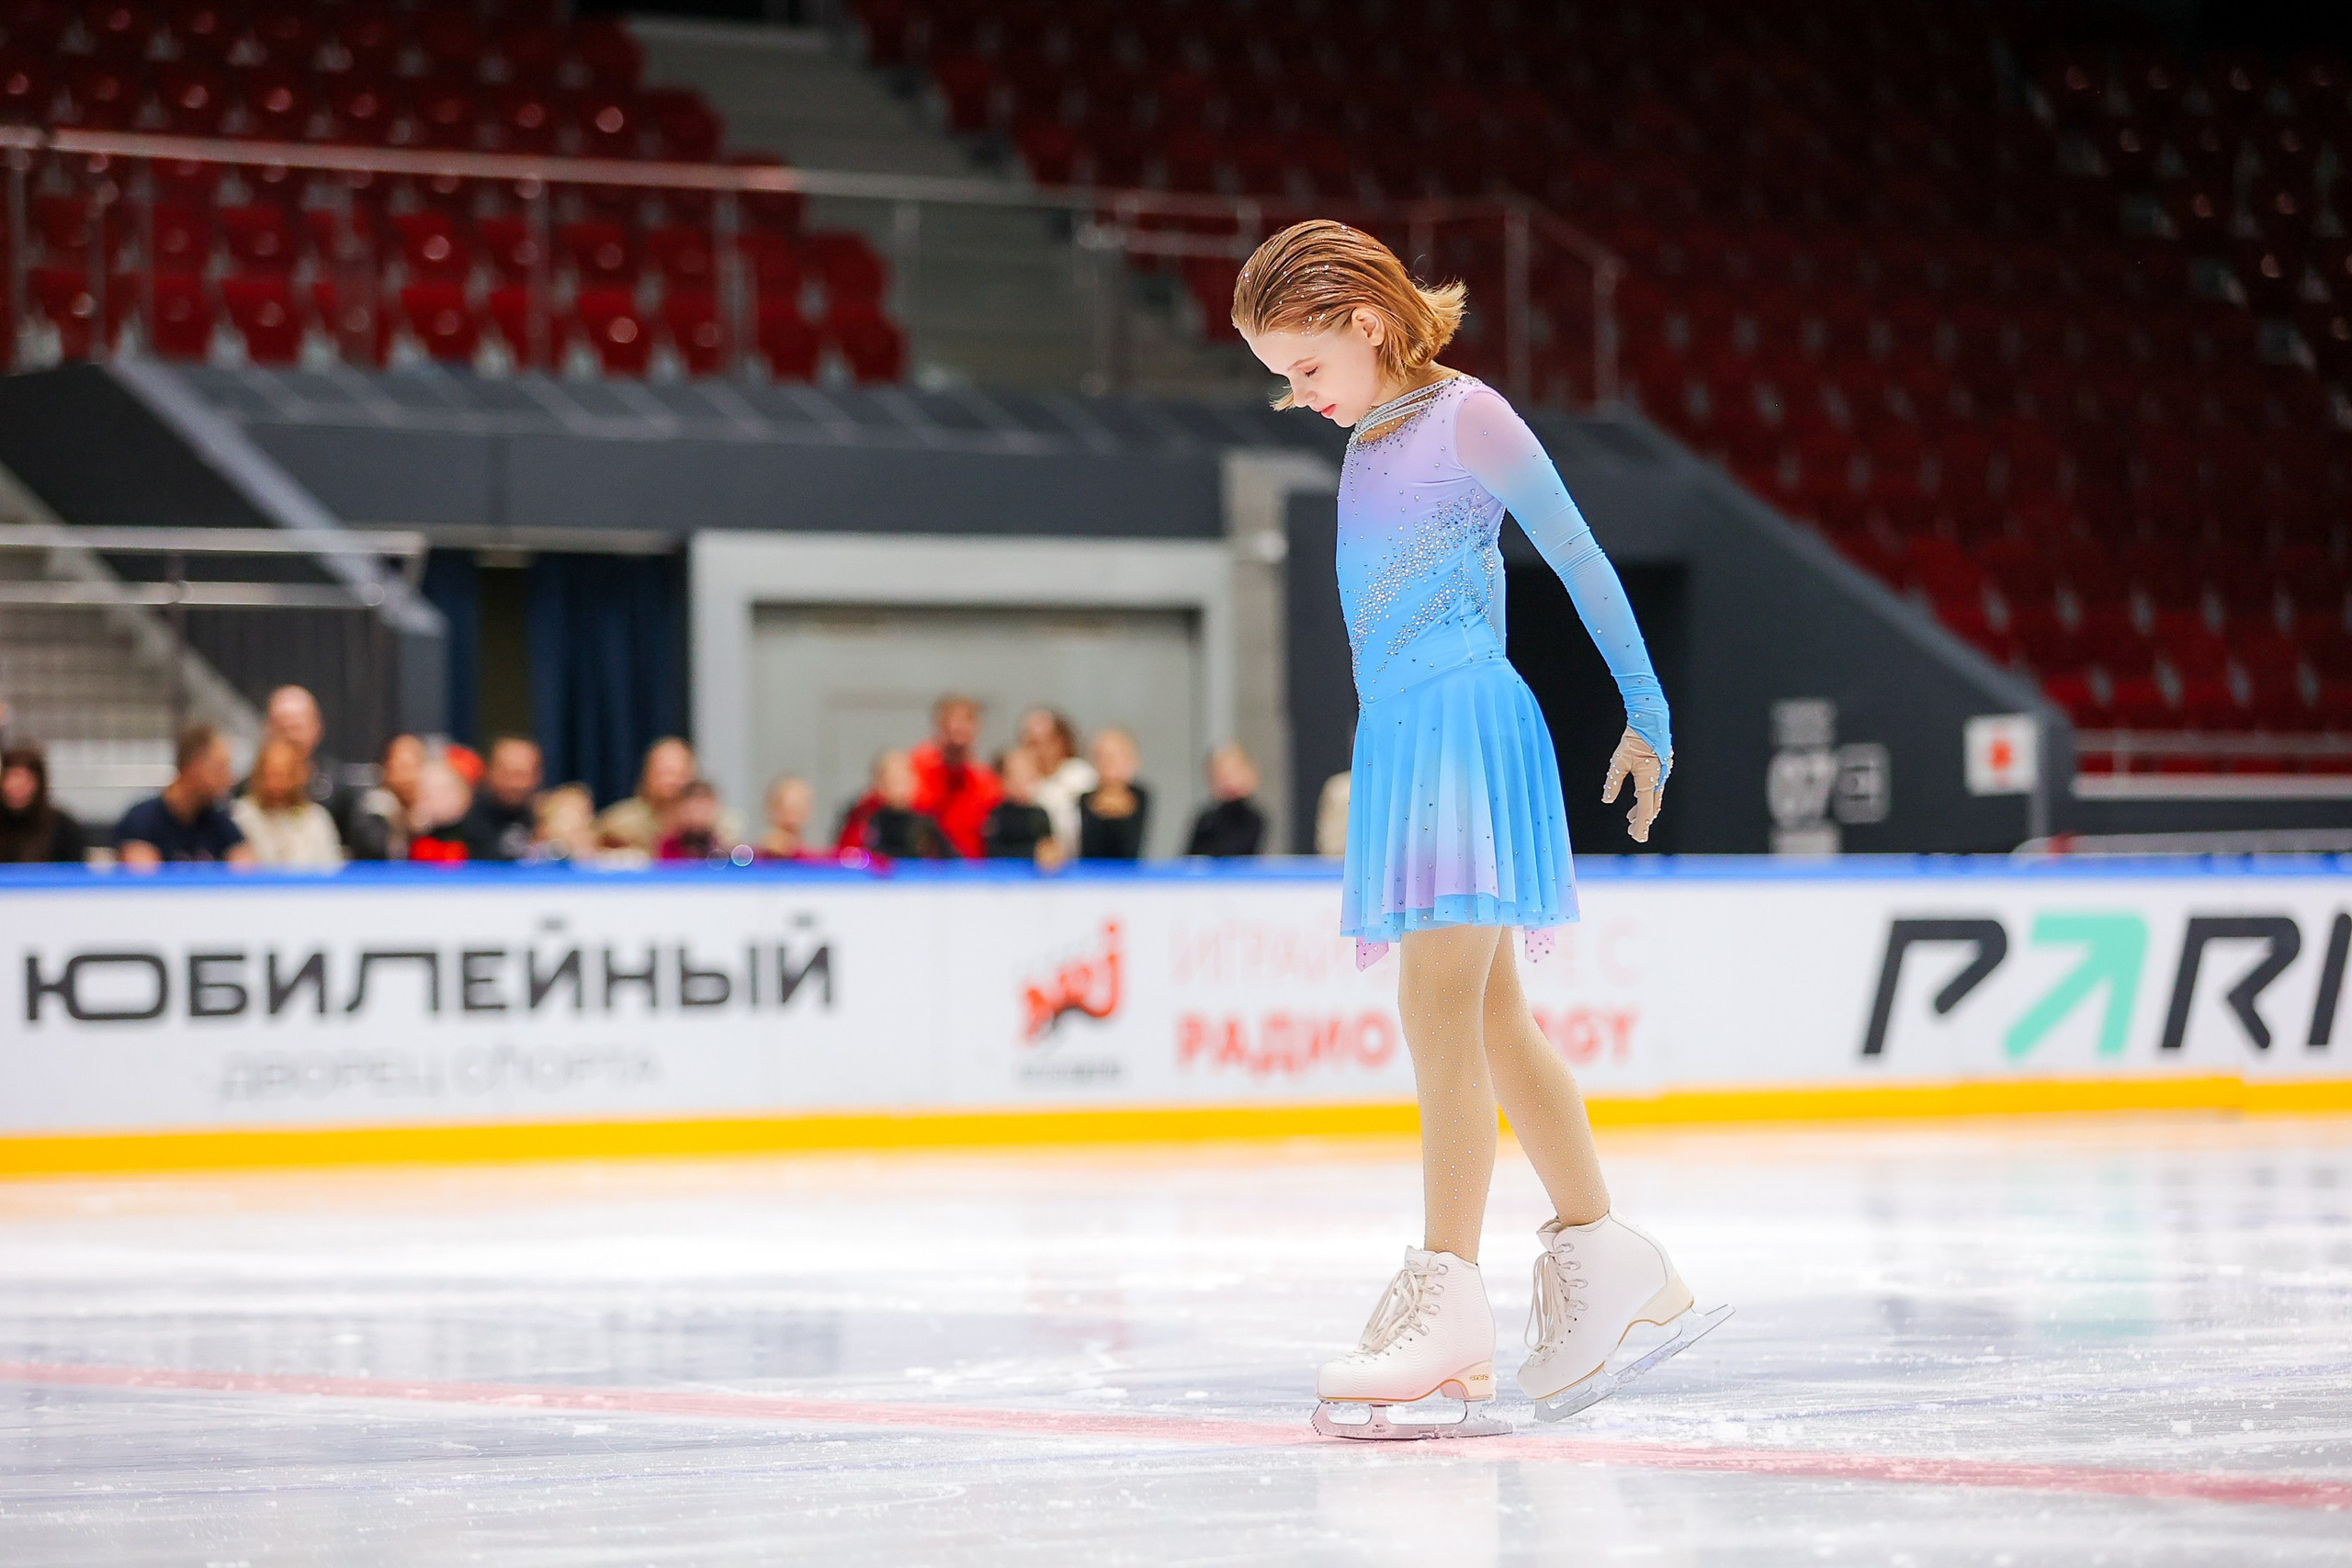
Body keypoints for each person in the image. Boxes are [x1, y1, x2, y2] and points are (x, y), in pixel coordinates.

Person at [1235, 220, 1700, 1440]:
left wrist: (1646, 714)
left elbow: (1579, 554)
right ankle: (1610, 1259)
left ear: (1369, 324)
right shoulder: (1366, 440)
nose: (1299, 394)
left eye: (1306, 366)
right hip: (1404, 738)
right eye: (1282, 376)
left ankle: (1450, 1299)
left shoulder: (1467, 416)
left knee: (1438, 1011)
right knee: (1491, 1019)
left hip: (1463, 727)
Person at [116, 724, 254, 867]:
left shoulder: (220, 823)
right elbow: (143, 877)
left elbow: (246, 870)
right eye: (221, 769)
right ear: (194, 767)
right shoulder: (141, 822)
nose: (229, 780)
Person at [246, 685, 352, 843]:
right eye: (282, 728)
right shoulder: (246, 790)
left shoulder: (339, 787)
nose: (291, 737)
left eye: (297, 728)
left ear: (316, 728)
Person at [599, 737, 741, 853]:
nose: (670, 781)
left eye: (677, 773)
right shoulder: (622, 822)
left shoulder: (719, 824)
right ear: (646, 776)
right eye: (662, 773)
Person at [909, 694, 1001, 859]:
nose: (958, 727)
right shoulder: (914, 770)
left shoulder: (986, 781)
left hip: (971, 868)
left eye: (967, 720)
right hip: (924, 868)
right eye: (951, 720)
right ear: (939, 725)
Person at [230, 737, 344, 866]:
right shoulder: (240, 817)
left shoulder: (316, 819)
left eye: (283, 775)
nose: (276, 784)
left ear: (299, 776)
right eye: (269, 775)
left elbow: (331, 867)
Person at [1017, 707, 1096, 860]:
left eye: (1040, 743)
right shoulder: (1019, 784)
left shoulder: (1081, 776)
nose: (1036, 751)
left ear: (1060, 742)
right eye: (1029, 744)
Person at [456, 736, 542, 863]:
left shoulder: (543, 816)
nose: (516, 784)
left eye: (523, 774)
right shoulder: (461, 819)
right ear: (489, 771)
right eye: (508, 773)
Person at [0, 744, 89, 863]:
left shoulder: (64, 828)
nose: (15, 788)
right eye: (9, 780)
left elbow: (74, 869)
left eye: (23, 781)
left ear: (39, 784)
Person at [859, 749, 952, 860]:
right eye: (892, 780)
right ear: (879, 785)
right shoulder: (866, 823)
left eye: (904, 779)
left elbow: (956, 862)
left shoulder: (926, 825)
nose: (899, 788)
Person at [1076, 727, 1149, 861]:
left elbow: (1130, 848)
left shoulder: (1140, 796)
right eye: (1100, 757)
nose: (1106, 763)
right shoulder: (1085, 799)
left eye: (1112, 757)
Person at [349, 733, 424, 862]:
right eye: (403, 767)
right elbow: (376, 854)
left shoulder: (432, 812)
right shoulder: (375, 810)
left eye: (416, 766)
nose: (410, 776)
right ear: (387, 768)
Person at [981, 747, 1061, 867]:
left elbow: (1049, 847)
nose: (1023, 781)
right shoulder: (997, 815)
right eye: (1017, 775)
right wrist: (1034, 853)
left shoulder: (1040, 814)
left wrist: (1052, 854)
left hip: (1035, 877)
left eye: (1028, 774)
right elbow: (993, 852)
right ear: (1003, 779)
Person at [1185, 742, 1267, 858]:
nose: (1228, 782)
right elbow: (1189, 857)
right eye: (1222, 776)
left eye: (1233, 775)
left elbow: (1237, 850)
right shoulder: (1206, 820)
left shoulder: (1253, 819)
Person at [407, 756, 475, 863]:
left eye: (442, 790)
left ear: (462, 794)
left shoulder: (475, 829)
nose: (432, 797)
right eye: (426, 791)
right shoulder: (408, 831)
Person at [654, 778, 728, 861]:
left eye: (703, 810)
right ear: (680, 809)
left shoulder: (722, 845)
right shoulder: (669, 845)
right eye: (692, 810)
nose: (697, 816)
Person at [756, 774, 824, 861]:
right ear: (772, 809)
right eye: (790, 805)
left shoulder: (813, 858)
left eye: (800, 804)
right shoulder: (760, 856)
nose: (796, 810)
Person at [531, 784, 601, 863]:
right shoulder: (537, 850)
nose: (576, 819)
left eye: (584, 812)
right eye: (569, 812)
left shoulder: (598, 843)